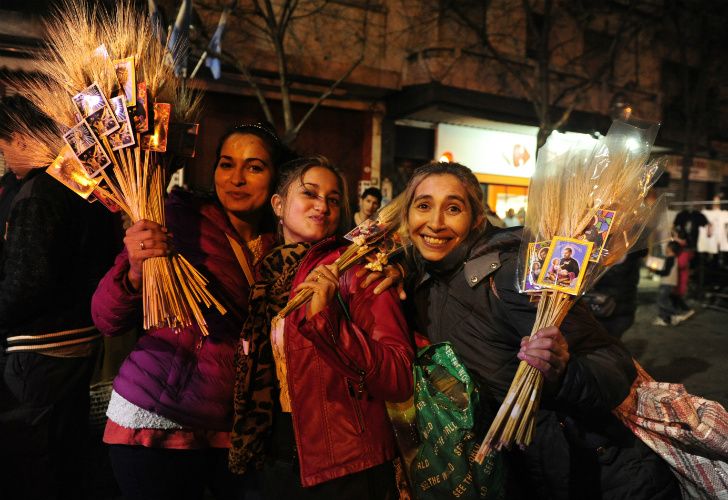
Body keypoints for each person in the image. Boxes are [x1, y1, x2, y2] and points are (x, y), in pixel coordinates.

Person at [400, 161, 680, 499]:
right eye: (424, 205)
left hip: (597, 474)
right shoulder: (420, 282)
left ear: (476, 219)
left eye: (453, 208)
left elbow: (613, 361)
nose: (435, 222)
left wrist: (563, 372)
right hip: (521, 474)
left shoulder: (511, 274)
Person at [91, 122, 291, 499]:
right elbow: (106, 318)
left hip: (235, 430)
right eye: (226, 164)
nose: (236, 179)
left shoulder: (284, 244)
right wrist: (134, 269)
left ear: (277, 177)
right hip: (156, 418)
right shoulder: (178, 221)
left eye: (254, 167)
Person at [229, 156, 413, 499]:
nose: (323, 206)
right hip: (277, 456)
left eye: (332, 199)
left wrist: (327, 321)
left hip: (347, 464)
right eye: (310, 194)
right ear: (279, 205)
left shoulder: (359, 269)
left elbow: (399, 376)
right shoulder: (264, 275)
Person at [0, 96, 121, 499]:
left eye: (4, 148)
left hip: (40, 351)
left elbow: (26, 282)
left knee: (35, 459)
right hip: (78, 343)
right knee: (63, 454)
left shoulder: (39, 192)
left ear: (19, 138)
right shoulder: (82, 183)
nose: (6, 160)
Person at [651, 240, 683, 326]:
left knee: (661, 300)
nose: (665, 248)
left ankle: (676, 313)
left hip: (667, 283)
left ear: (670, 249)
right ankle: (664, 319)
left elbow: (665, 272)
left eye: (667, 247)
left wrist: (655, 271)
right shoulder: (672, 259)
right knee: (663, 300)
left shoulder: (670, 259)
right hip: (668, 282)